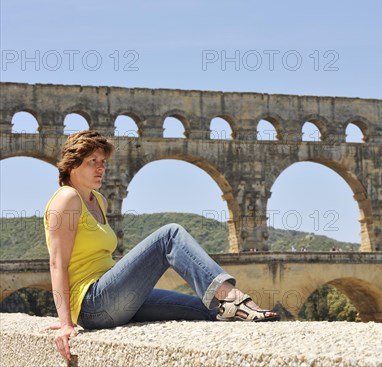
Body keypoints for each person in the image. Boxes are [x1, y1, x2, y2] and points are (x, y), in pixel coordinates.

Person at [44, 130, 279, 362]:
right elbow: (57, 263)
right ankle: (233, 297)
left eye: (103, 161)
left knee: (205, 310)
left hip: (116, 297)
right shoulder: (67, 198)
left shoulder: (99, 201)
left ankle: (234, 315)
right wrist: (66, 322)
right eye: (92, 161)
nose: (100, 168)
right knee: (170, 235)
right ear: (72, 165)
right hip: (94, 302)